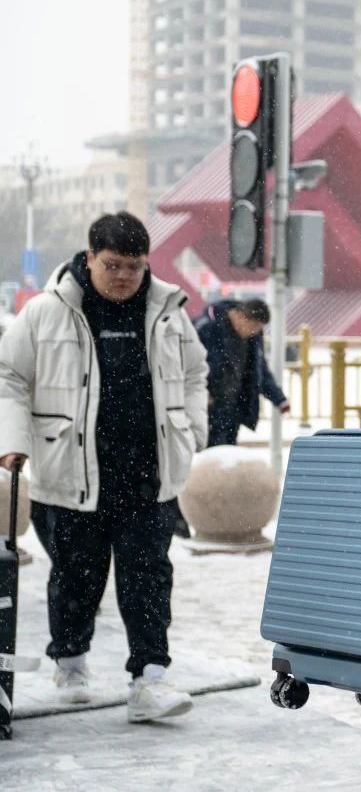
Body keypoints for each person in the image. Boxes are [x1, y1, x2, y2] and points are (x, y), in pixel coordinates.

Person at [0, 211, 207, 722]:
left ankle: (149, 679)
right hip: (71, 471)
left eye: (134, 266)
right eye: (112, 265)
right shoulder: (47, 311)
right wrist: (13, 440)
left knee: (148, 578)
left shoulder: (166, 310)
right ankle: (70, 662)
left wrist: (191, 431)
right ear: (89, 257)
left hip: (148, 475)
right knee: (76, 577)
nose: (123, 277)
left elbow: (195, 373)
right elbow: (9, 377)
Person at [194, 298, 289, 448]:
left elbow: (260, 370)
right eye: (253, 326)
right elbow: (190, 366)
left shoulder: (253, 338)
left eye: (258, 329)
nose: (254, 332)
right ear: (239, 316)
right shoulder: (207, 328)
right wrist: (200, 392)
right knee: (208, 453)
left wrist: (279, 399)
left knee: (228, 452)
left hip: (233, 407)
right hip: (207, 406)